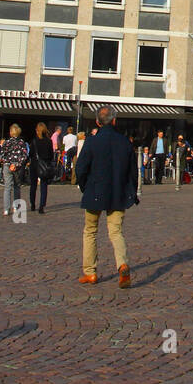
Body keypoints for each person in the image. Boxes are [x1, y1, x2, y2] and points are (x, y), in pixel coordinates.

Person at [76, 104, 139, 288]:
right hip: (118, 192)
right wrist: (131, 192)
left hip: (94, 191)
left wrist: (84, 186)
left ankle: (90, 272)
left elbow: (80, 168)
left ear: (97, 121)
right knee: (116, 232)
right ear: (114, 120)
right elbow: (133, 172)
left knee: (90, 231)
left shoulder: (92, 141)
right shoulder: (125, 142)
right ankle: (122, 264)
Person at [0, 124, 29, 217]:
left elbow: (2, 155)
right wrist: (17, 164)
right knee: (17, 186)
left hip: (7, 166)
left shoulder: (6, 142)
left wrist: (8, 162)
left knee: (7, 187)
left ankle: (6, 209)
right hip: (17, 167)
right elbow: (24, 156)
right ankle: (16, 207)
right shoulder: (21, 142)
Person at [29, 122, 54, 214]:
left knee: (33, 185)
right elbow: (51, 154)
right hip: (45, 165)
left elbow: (30, 154)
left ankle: (32, 204)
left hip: (35, 164)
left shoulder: (34, 141)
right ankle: (42, 206)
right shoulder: (48, 141)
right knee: (44, 186)